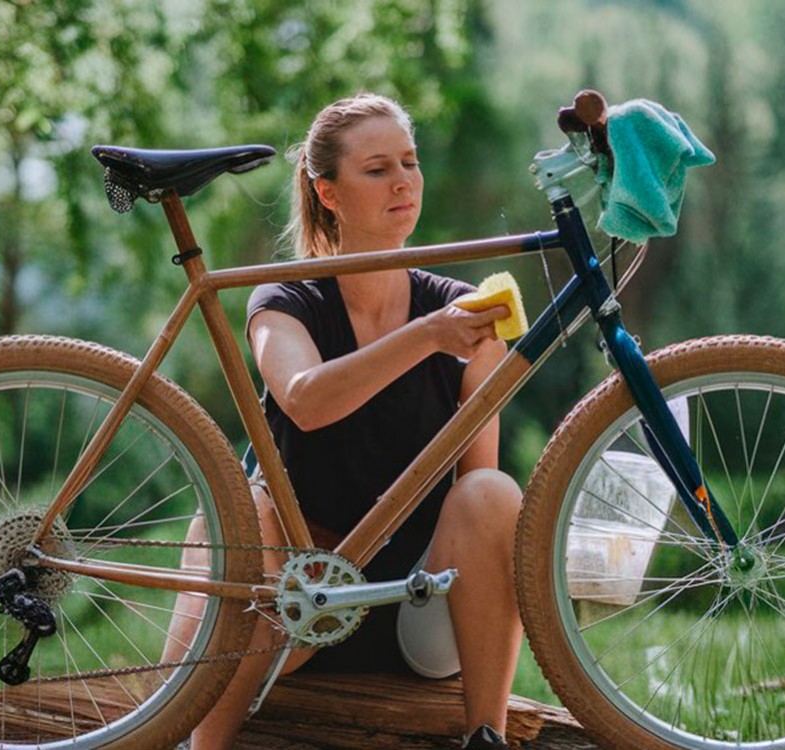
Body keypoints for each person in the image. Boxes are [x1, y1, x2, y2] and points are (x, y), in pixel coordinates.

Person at [168, 93, 524, 750]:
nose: (403, 181)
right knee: (241, 514)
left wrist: (439, 332)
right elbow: (305, 398)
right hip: (295, 612)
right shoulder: (284, 300)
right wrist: (425, 337)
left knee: (494, 493)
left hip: (417, 614)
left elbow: (483, 504)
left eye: (410, 163)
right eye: (377, 168)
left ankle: (487, 736)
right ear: (327, 193)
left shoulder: (465, 317)